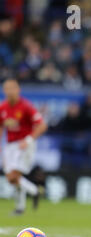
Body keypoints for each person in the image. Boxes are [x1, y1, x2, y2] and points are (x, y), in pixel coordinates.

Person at [0, 79, 47, 215]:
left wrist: (28, 139)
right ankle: (30, 196)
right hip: (10, 146)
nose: (10, 91)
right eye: (7, 89)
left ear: (18, 90)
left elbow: (42, 125)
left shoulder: (26, 106)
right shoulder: (3, 107)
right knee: (13, 179)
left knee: (13, 177)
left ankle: (28, 197)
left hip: (24, 145)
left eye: (12, 88)